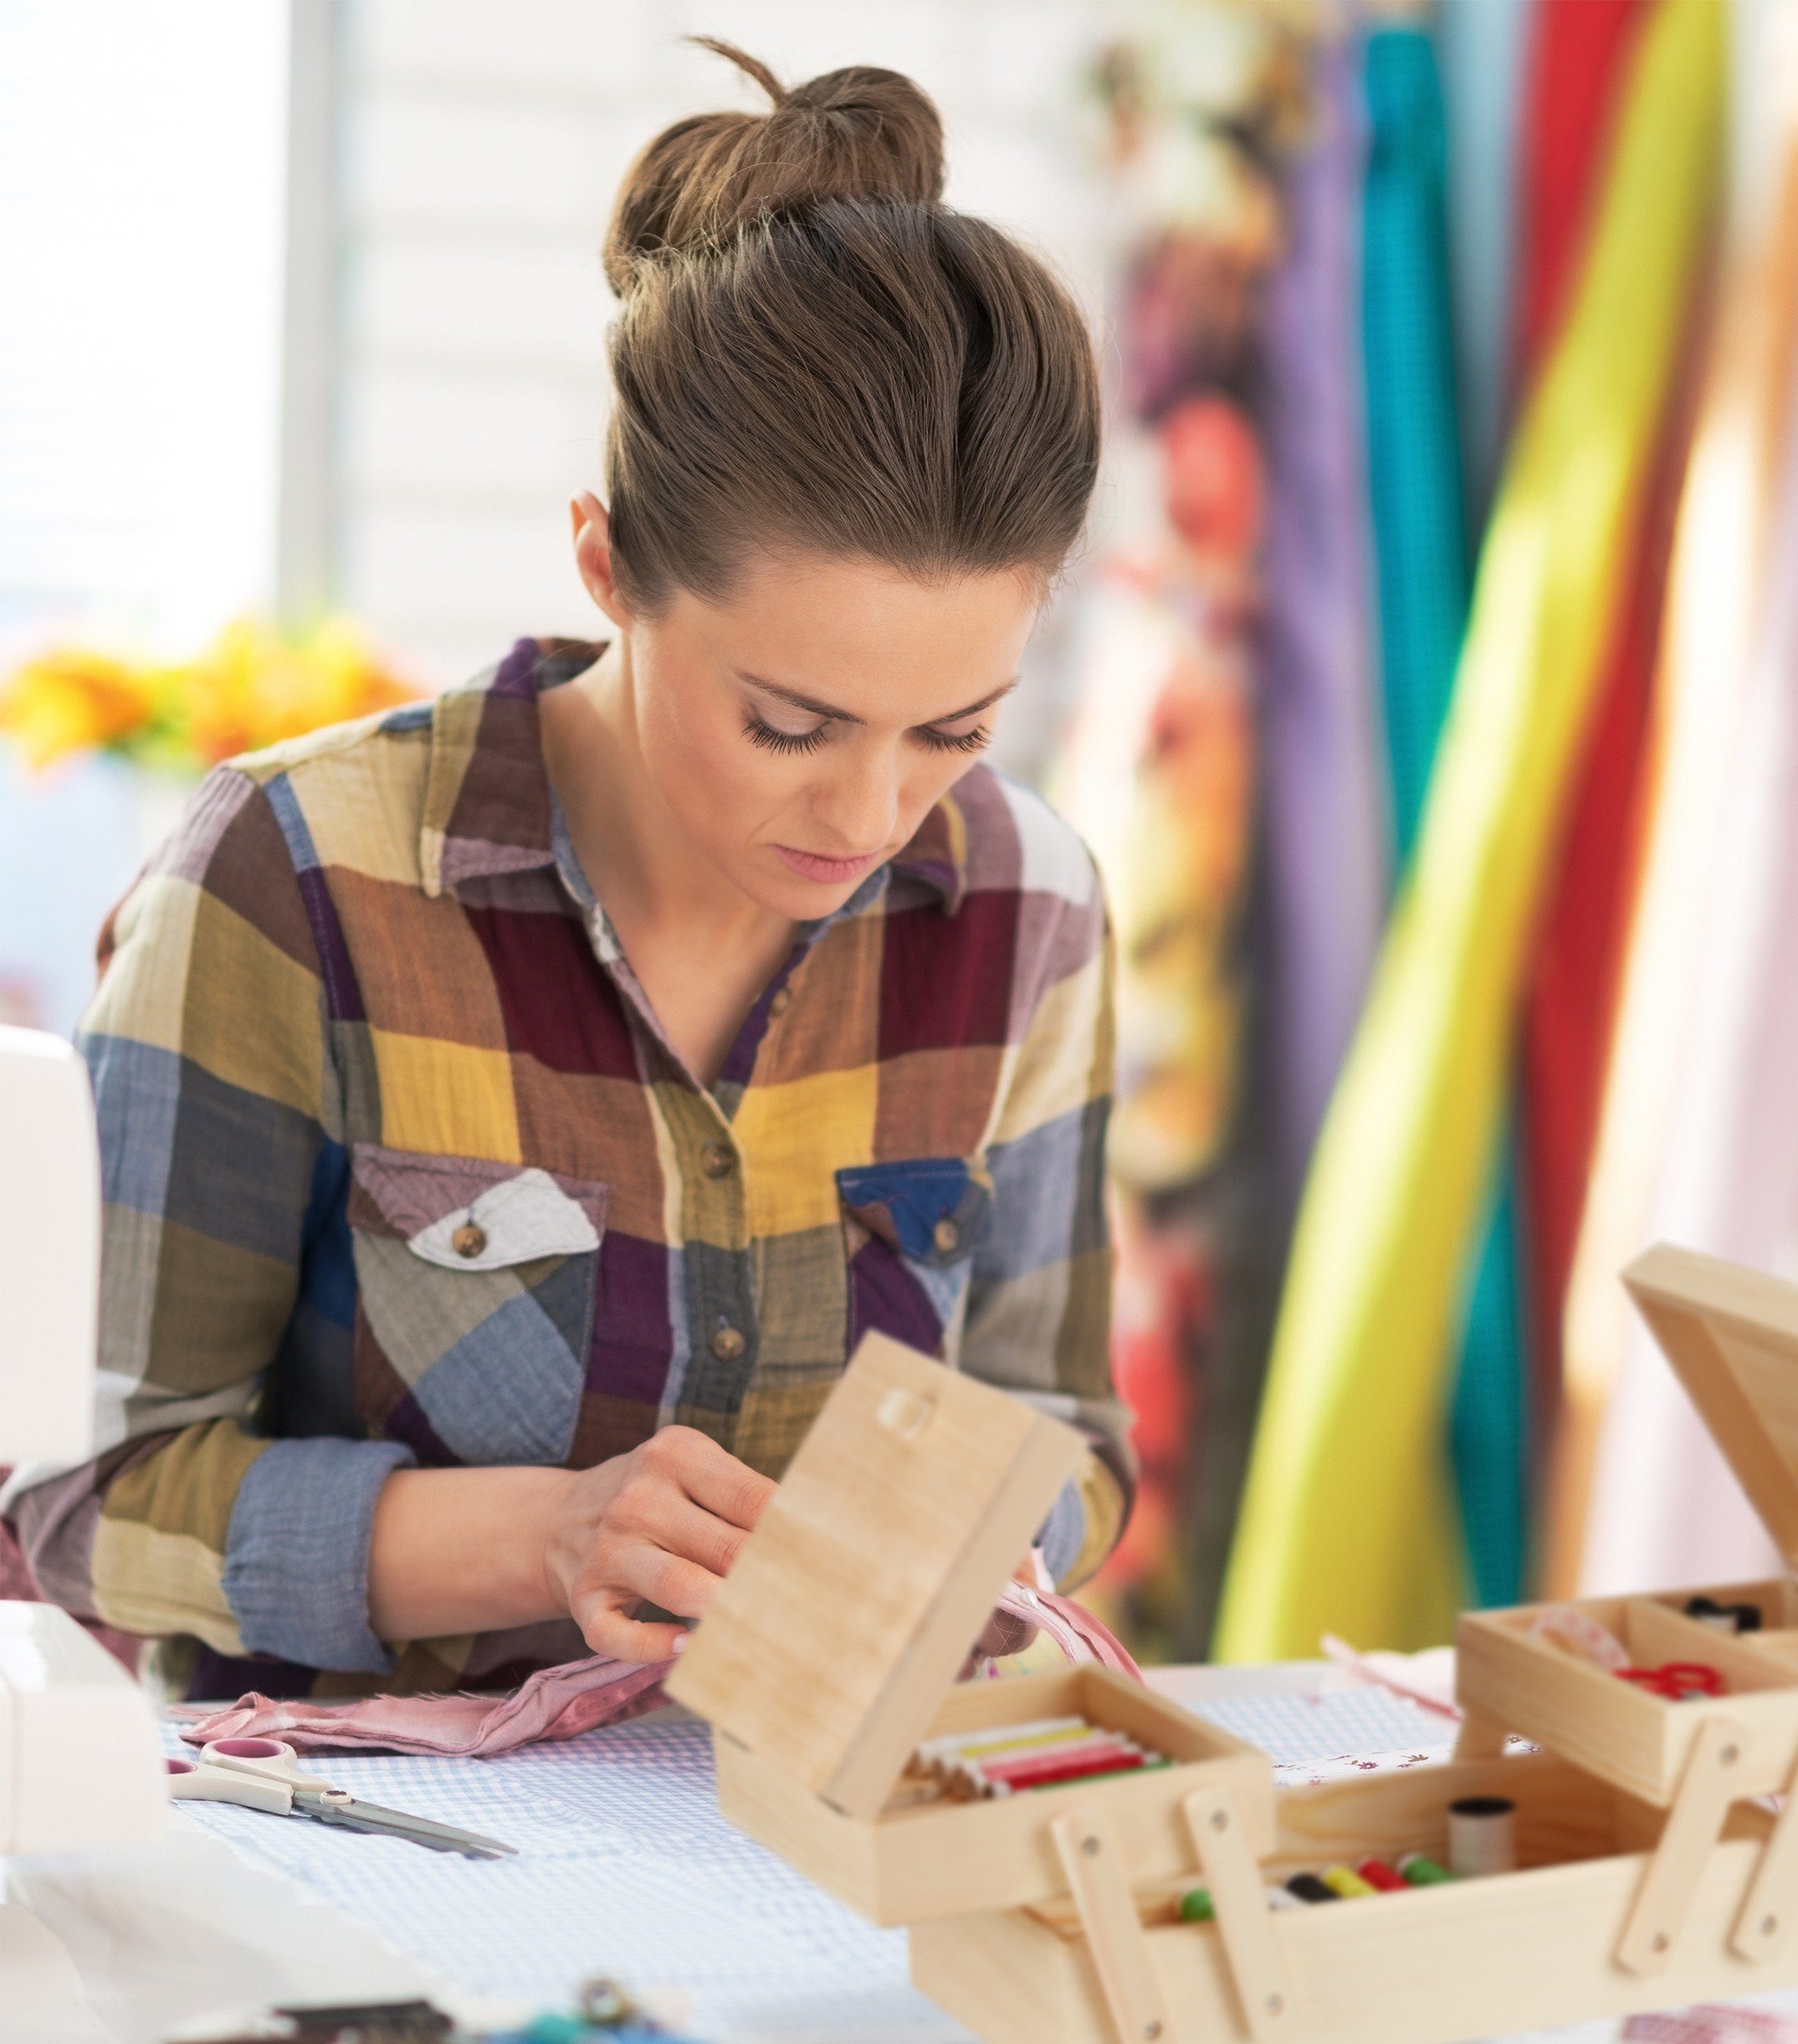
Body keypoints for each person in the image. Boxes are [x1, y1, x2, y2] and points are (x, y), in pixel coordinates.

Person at [5, 43, 1131, 1700]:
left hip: (811, 1844)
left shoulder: (1027, 904)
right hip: (369, 1856)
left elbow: (1070, 1438)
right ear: (605, 561)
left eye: (953, 726)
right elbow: (77, 1503)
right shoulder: (292, 881)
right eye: (789, 720)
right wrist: (539, 1535)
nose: (873, 810)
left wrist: (965, 1531)